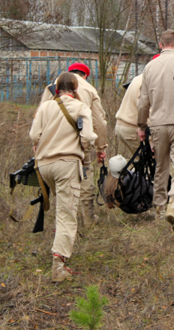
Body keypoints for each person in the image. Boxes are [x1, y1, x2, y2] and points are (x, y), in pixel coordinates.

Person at [30, 72, 97, 282]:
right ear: (76, 89)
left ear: (56, 88)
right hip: (67, 164)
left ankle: (60, 247)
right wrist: (83, 147)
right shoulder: (80, 107)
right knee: (67, 213)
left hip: (45, 165)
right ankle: (58, 264)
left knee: (62, 207)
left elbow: (34, 135)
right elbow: (87, 137)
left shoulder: (45, 107)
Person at [136, 30, 174, 231]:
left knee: (160, 168)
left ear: (160, 45)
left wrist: (141, 126)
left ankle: (159, 211)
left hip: (157, 125)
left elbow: (143, 100)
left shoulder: (149, 67)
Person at [40, 63, 108, 226]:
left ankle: (65, 220)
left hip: (52, 144)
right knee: (85, 175)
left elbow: (40, 115)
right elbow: (99, 122)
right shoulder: (89, 89)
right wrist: (101, 147)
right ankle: (88, 218)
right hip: (79, 143)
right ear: (85, 75)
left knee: (59, 179)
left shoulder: (51, 86)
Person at [114, 54, 159, 159]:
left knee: (140, 162)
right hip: (134, 128)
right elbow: (145, 108)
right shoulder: (152, 80)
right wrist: (152, 138)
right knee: (152, 163)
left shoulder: (140, 77)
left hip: (123, 126)